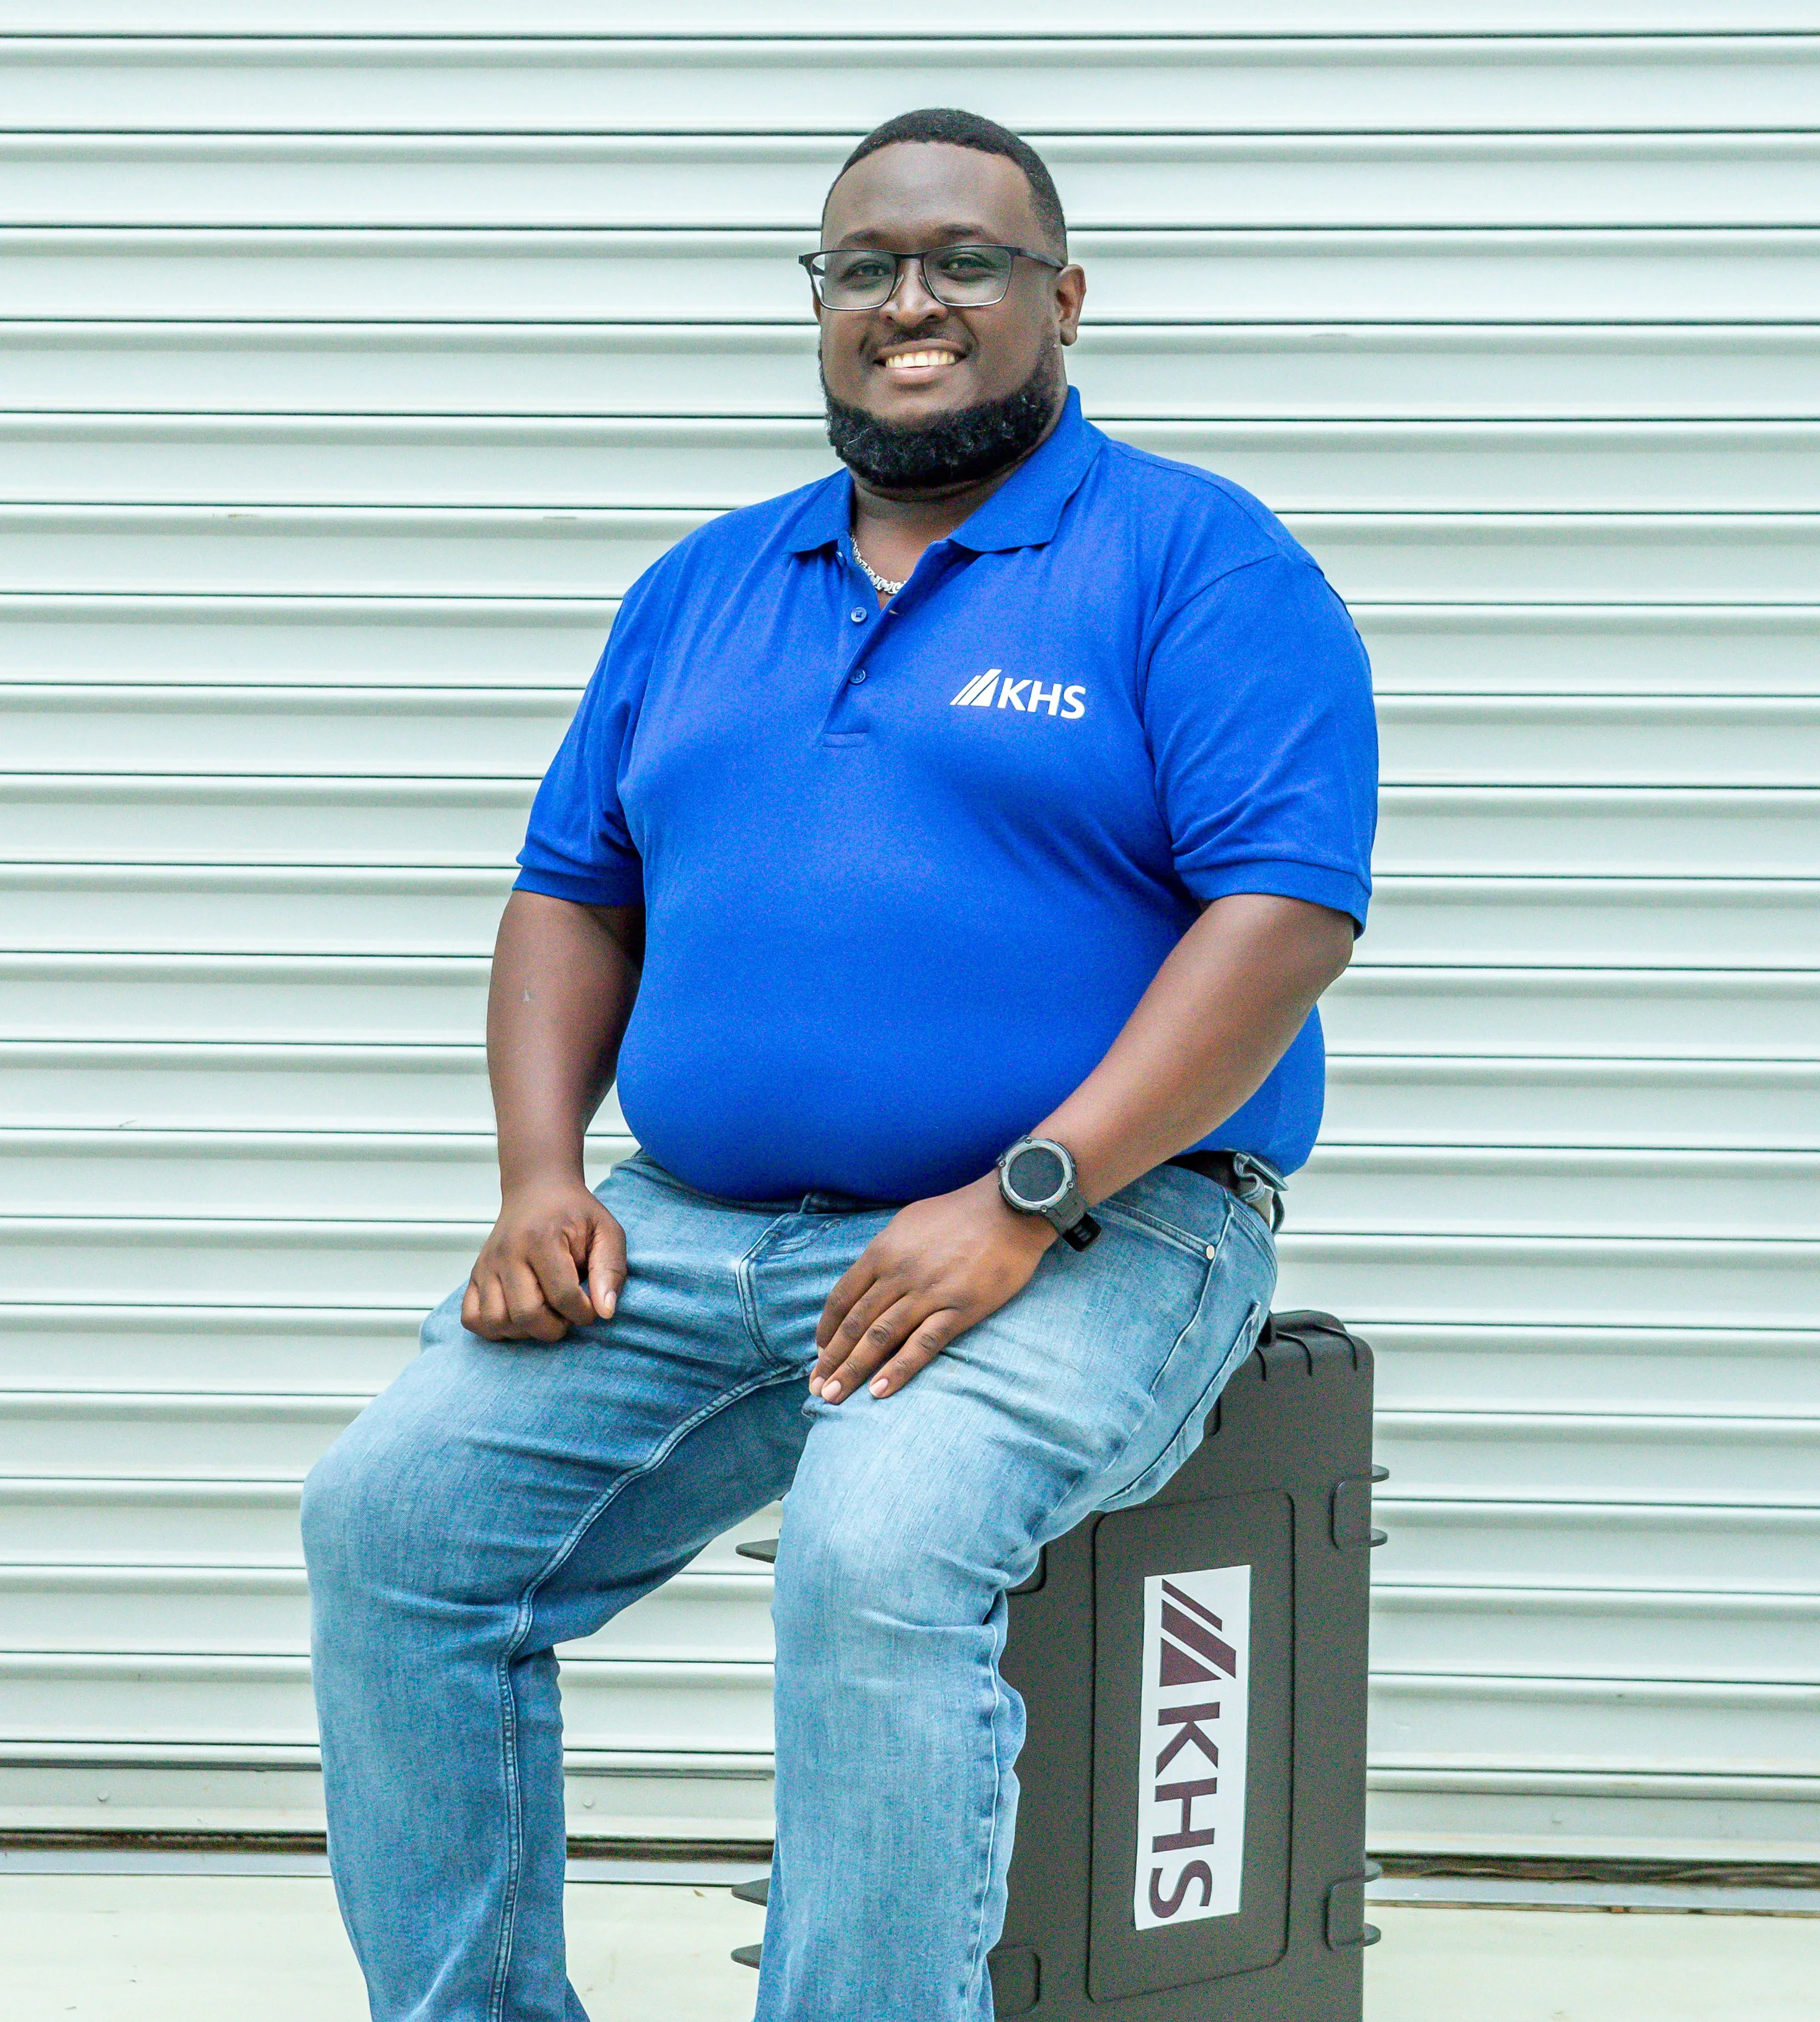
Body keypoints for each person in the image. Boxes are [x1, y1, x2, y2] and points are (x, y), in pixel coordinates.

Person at [301, 107, 1377, 2022]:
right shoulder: (704, 587)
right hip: (693, 1236)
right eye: (866, 265)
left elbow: (1281, 911)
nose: (913, 301)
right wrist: (540, 1180)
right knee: (394, 1526)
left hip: (1097, 1230)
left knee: (874, 1556)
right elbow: (571, 893)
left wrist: (1026, 1192)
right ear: (819, 305)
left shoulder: (1192, 559)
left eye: (966, 260)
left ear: (1061, 296)